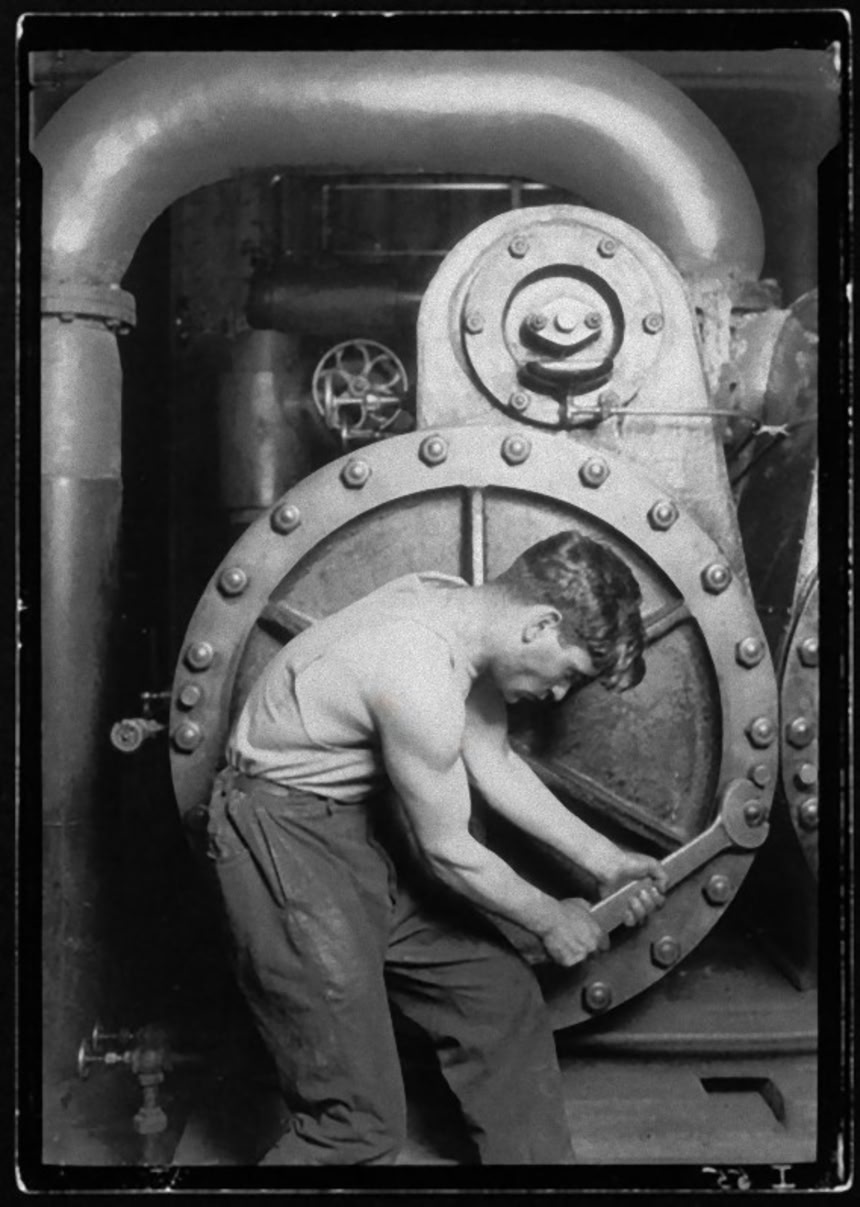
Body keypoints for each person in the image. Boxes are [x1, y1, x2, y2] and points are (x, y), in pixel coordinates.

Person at [198, 530, 668, 1165]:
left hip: (354, 828)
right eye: (569, 673)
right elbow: (447, 850)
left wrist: (604, 859)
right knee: (356, 1124)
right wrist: (550, 918)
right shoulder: (414, 669)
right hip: (282, 841)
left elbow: (494, 762)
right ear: (541, 624)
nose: (558, 695)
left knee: (495, 999)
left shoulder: (456, 611)